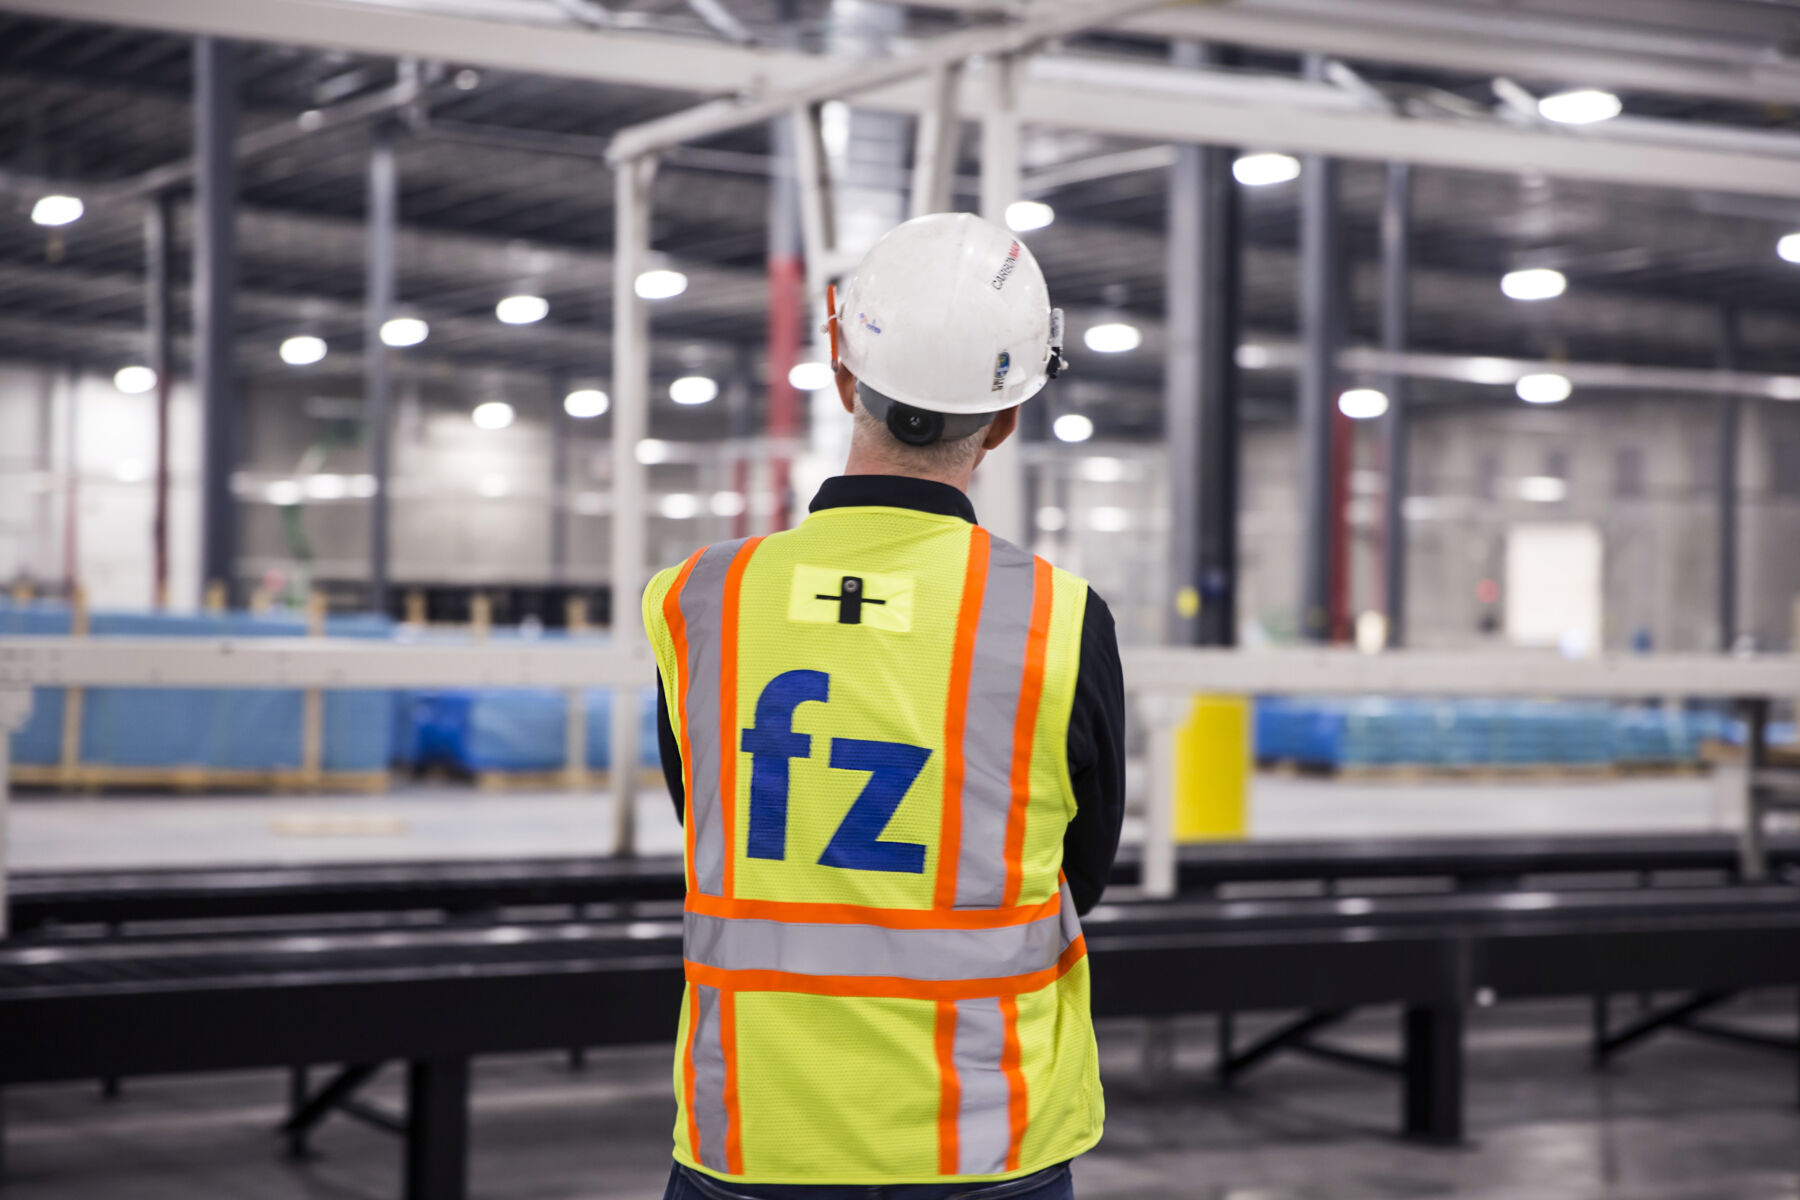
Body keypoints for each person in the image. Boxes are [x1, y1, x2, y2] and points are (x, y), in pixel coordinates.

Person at [643, 212, 1125, 1200]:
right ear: (1008, 418)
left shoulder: (698, 599)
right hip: (982, 1141)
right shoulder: (1058, 621)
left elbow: (710, 816)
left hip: (753, 1135)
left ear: (840, 370)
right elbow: (1084, 868)